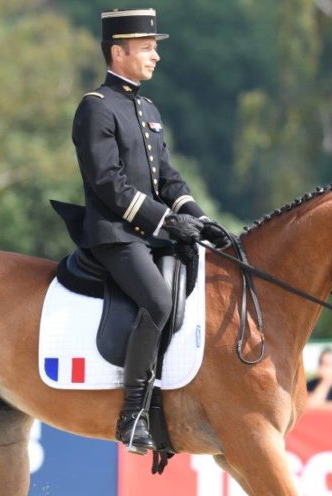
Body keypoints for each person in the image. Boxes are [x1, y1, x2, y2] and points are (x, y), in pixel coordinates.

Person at [72, 8, 229, 453]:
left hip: (150, 233)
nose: (155, 55)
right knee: (158, 300)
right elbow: (108, 184)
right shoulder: (96, 108)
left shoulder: (146, 107)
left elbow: (168, 176)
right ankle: (133, 415)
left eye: (154, 47)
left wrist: (199, 219)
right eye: (146, 48)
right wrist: (165, 220)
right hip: (114, 235)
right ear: (118, 52)